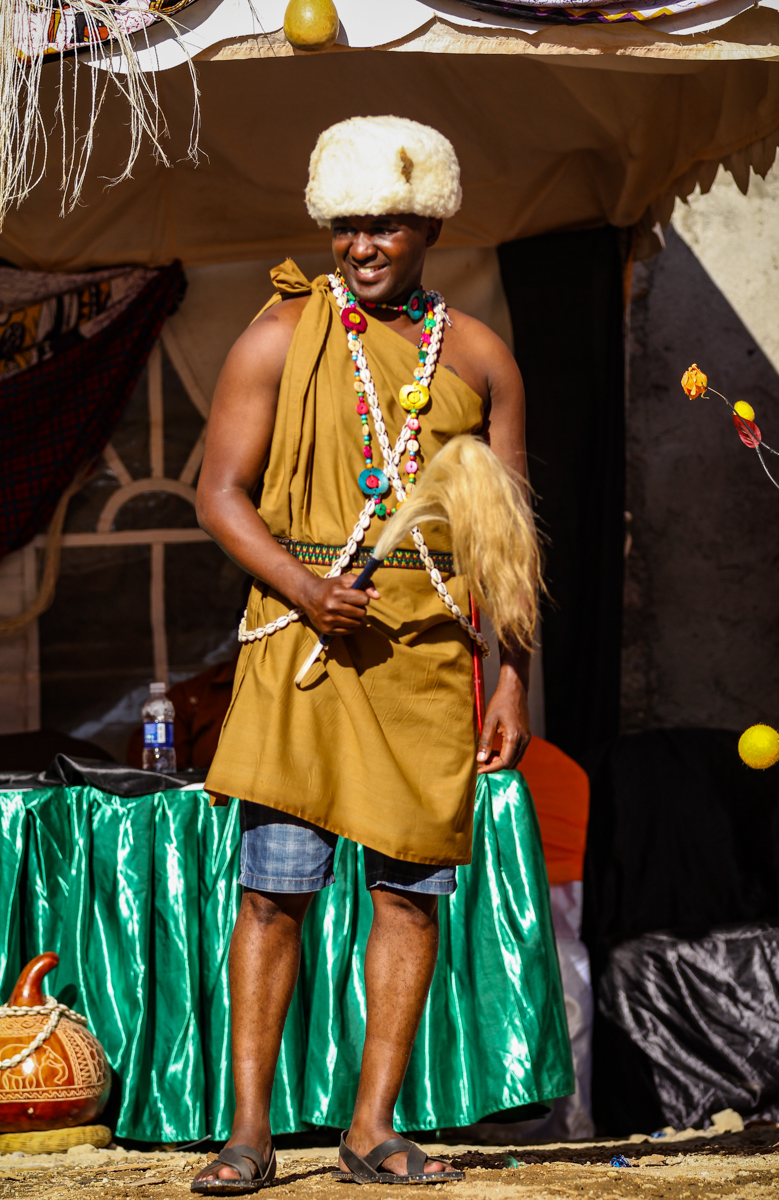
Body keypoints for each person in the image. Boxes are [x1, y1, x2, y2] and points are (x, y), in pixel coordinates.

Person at [191, 116, 533, 1193]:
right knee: (272, 892)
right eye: (345, 227)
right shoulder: (275, 338)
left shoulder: (476, 357)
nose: (362, 247)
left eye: (383, 224)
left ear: (427, 223)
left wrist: (510, 671)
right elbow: (217, 495)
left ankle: (369, 1130)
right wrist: (301, 588)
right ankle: (247, 1135)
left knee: (407, 896)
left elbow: (505, 541)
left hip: (427, 658)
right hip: (300, 645)